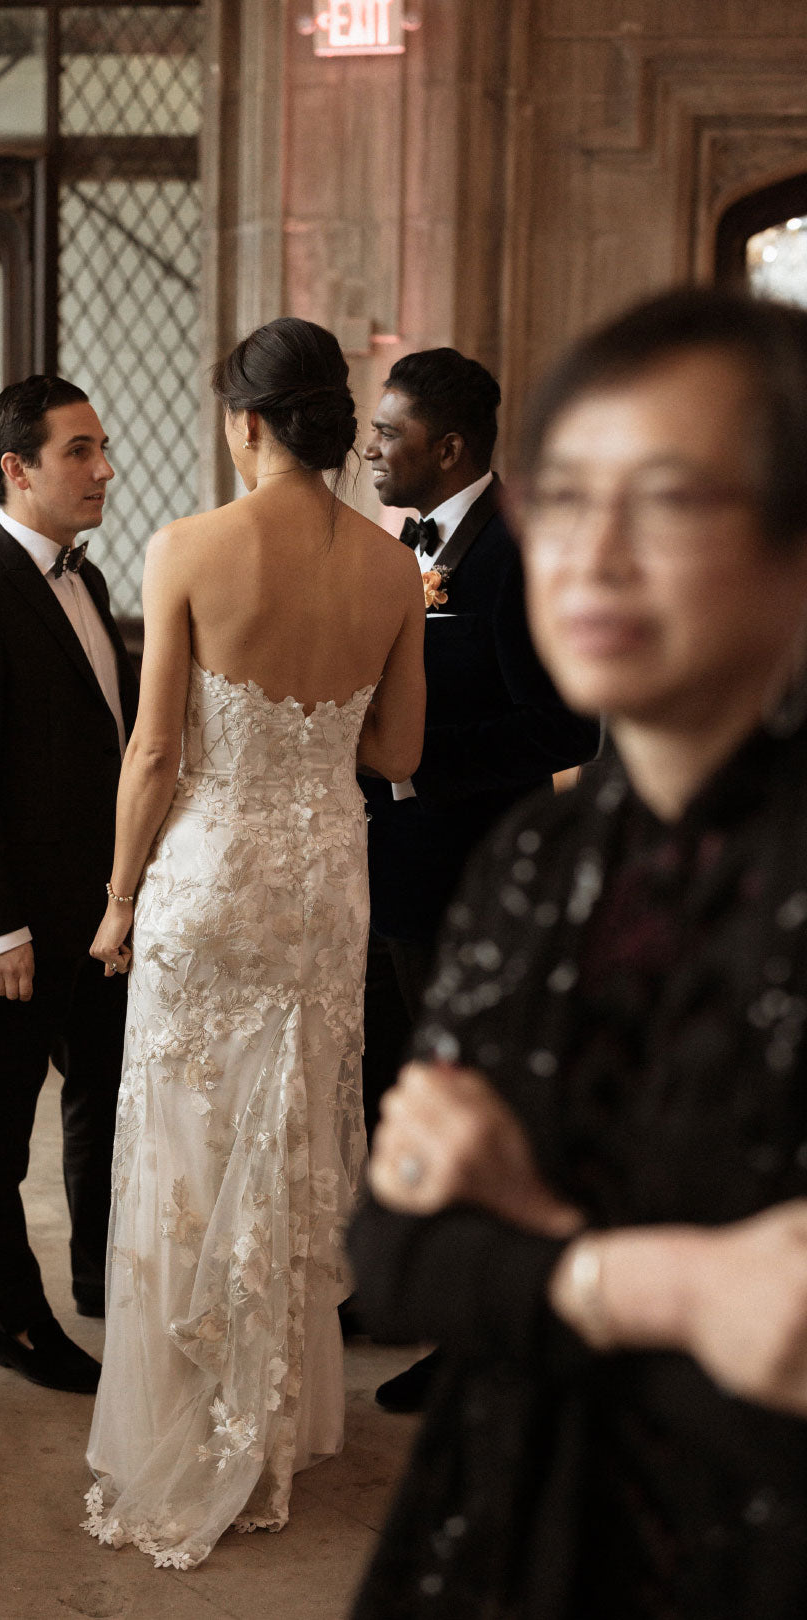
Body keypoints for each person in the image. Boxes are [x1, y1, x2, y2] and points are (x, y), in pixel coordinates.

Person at [350, 287, 807, 1619]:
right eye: (566, 500)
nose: (590, 556)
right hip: (517, 1509)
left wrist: (538, 1247)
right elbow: (399, 1256)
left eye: (666, 500)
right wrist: (661, 1281)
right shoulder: (540, 862)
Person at [83, 316, 426, 1568]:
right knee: (285, 1149)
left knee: (186, 1145)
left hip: (211, 880)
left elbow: (157, 751)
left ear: (246, 423)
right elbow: (399, 754)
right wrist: (316, 748)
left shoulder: (190, 546)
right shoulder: (395, 570)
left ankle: (186, 1424)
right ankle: (269, 1426)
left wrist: (120, 899)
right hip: (326, 882)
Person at [361, 348, 600, 1412]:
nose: (372, 446)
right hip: (384, 871)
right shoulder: (402, 545)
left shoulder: (514, 550)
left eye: (390, 432)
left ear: (447, 448)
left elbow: (562, 726)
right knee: (386, 1093)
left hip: (462, 873)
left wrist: (418, 772)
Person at [0, 376, 138, 1396]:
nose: (102, 469)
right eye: (79, 451)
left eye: (101, 448)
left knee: (105, 1095)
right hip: (20, 925)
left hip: (99, 910)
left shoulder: (87, 584)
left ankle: (100, 1284)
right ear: (18, 468)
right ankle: (16, 1318)